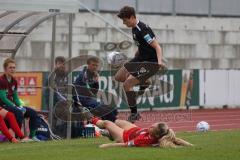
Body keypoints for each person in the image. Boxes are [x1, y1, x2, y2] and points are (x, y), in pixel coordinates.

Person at [115, 6, 165, 122]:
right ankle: (145, 82)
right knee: (119, 76)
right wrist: (135, 57)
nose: (124, 23)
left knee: (127, 84)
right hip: (140, 58)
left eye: (125, 20)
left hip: (150, 62)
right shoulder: (134, 28)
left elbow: (157, 46)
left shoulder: (142, 30)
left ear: (132, 17)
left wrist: (159, 62)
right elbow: (141, 45)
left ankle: (134, 114)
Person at [0, 58, 40, 141]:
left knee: (33, 113)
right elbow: (3, 98)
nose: (12, 69)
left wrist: (20, 106)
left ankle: (32, 136)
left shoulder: (14, 81)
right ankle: (18, 137)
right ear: (5, 69)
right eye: (10, 67)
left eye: (14, 67)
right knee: (18, 112)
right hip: (3, 105)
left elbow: (15, 97)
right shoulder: (1, 80)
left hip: (12, 105)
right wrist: (15, 106)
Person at [91, 117, 193, 148]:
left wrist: (106, 145)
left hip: (125, 136)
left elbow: (124, 145)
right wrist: (190, 145)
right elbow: (176, 139)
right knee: (117, 121)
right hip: (134, 130)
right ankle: (111, 134)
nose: (151, 126)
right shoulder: (164, 135)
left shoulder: (143, 140)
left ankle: (90, 118)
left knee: (107, 122)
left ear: (156, 135)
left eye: (153, 127)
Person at [73, 56, 118, 122]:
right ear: (88, 65)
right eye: (93, 65)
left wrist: (96, 81)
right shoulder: (84, 74)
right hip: (83, 100)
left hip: (90, 99)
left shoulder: (92, 74)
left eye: (96, 65)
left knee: (113, 109)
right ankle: (112, 125)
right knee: (107, 111)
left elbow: (94, 92)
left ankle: (109, 125)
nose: (95, 67)